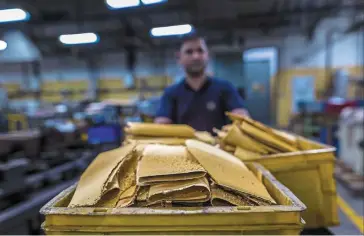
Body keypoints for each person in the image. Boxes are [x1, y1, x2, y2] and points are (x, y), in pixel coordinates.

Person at [154, 34, 249, 133]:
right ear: (179, 58)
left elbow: (242, 119)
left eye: (200, 51)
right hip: (183, 147)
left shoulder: (225, 88)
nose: (196, 56)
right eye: (189, 52)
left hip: (218, 147)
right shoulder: (171, 93)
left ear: (207, 55)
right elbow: (161, 124)